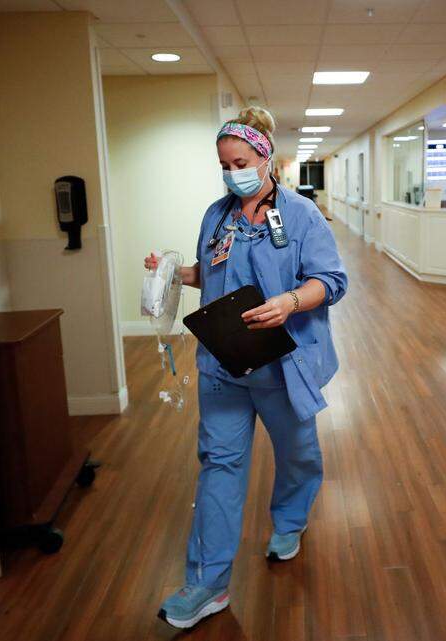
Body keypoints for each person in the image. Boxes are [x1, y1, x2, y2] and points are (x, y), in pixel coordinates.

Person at [143, 106, 347, 630]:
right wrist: (172, 272)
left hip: (282, 364)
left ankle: (290, 520)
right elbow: (210, 279)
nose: (233, 172)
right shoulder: (217, 216)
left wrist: (291, 302)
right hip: (223, 365)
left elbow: (332, 280)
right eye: (224, 164)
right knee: (219, 465)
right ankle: (207, 584)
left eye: (240, 161)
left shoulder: (302, 214)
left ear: (265, 158)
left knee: (298, 456)